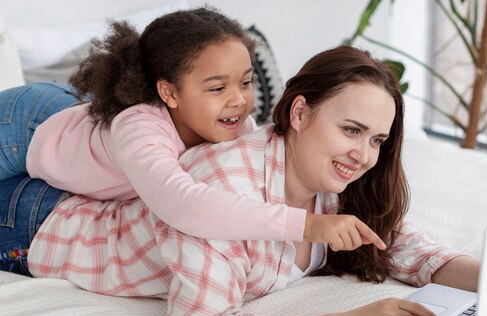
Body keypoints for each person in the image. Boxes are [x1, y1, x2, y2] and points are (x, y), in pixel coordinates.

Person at [1, 46, 487, 316]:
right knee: (36, 113)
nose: (364, 154)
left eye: (378, 140)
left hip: (81, 169)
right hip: (36, 226)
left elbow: (405, 248)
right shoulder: (222, 187)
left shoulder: (329, 179)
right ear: (300, 113)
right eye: (352, 129)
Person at [0, 7, 384, 272]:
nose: (239, 100)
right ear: (169, 93)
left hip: (77, 124)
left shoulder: (239, 125)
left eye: (246, 83)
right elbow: (183, 205)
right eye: (218, 87)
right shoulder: (139, 127)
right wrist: (305, 225)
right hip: (26, 126)